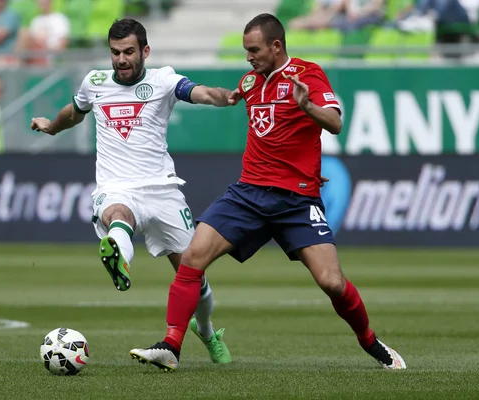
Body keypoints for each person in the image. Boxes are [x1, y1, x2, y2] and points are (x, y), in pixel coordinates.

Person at [130, 13, 406, 372]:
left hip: (296, 200)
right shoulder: (249, 82)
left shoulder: (308, 75)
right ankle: (171, 345)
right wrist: (223, 97)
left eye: (254, 50)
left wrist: (308, 107)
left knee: (332, 282)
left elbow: (335, 123)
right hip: (249, 194)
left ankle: (370, 342)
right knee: (192, 256)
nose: (249, 57)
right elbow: (262, 123)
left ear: (276, 46)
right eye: (246, 50)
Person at [29, 18, 233, 365]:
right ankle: (120, 258)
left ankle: (207, 330)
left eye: (128, 52)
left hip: (163, 190)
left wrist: (226, 97)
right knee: (117, 214)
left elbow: (200, 93)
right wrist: (51, 126)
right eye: (115, 52)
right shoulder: (95, 82)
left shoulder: (163, 80)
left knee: (192, 275)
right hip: (116, 186)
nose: (121, 59)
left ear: (145, 51)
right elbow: (75, 112)